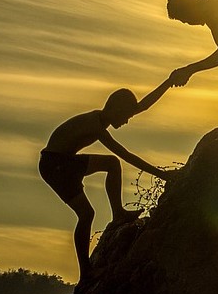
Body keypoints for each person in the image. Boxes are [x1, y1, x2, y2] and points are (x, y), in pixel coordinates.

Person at [38, 75, 178, 281]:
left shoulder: (102, 119)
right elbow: (126, 155)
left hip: (65, 161)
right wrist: (162, 175)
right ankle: (86, 271)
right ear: (117, 109)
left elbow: (143, 106)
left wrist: (168, 82)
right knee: (86, 214)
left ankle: (118, 213)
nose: (127, 121)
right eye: (126, 116)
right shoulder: (94, 125)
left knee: (111, 165)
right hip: (56, 165)